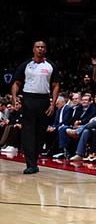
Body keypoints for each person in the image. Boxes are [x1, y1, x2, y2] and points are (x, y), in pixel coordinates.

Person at [11, 40, 62, 174]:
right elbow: (16, 83)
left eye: (42, 47)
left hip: (44, 100)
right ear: (33, 49)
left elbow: (56, 85)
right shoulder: (26, 65)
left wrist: (52, 104)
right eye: (38, 47)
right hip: (28, 99)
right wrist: (14, 99)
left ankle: (34, 161)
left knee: (40, 133)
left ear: (45, 50)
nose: (40, 49)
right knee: (28, 133)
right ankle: (31, 164)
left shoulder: (50, 66)